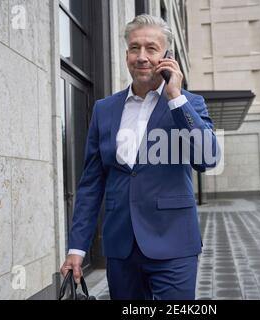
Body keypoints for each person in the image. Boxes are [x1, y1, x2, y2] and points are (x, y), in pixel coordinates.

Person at [60, 14, 220, 300]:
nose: (142, 57)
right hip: (121, 248)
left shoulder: (189, 104)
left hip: (173, 244)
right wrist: (77, 248)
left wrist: (175, 97)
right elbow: (91, 183)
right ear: (126, 55)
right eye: (135, 48)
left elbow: (207, 159)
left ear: (167, 56)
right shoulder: (104, 109)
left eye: (151, 48)